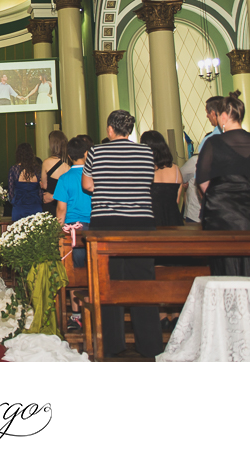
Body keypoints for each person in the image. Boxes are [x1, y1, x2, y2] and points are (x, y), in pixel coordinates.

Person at [81, 110, 161, 358]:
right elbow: (148, 181)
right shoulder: (146, 152)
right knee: (143, 282)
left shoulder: (96, 152)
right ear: (130, 130)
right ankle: (150, 345)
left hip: (107, 223)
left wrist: (105, 186)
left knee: (108, 281)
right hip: (141, 223)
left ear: (110, 130)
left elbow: (87, 185)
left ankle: (112, 343)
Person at [196, 92, 250, 278]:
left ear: (223, 117)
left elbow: (202, 180)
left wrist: (220, 194)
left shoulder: (213, 143)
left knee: (230, 265)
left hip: (225, 217)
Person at [53, 135, 93, 268]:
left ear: (69, 156)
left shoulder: (64, 179)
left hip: (73, 227)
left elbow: (61, 209)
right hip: (93, 224)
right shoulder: (94, 175)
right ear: (86, 153)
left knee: (76, 266)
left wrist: (58, 231)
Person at [141, 130, 184, 227]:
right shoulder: (176, 169)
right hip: (173, 221)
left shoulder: (144, 170)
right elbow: (176, 201)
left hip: (151, 221)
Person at [9, 143, 44, 222]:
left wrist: (15, 202)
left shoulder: (14, 170)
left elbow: (10, 192)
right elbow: (41, 192)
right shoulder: (38, 170)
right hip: (35, 206)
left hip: (19, 207)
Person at [40, 130, 70, 210]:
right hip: (64, 204)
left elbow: (44, 185)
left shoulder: (46, 162)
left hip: (50, 203)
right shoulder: (68, 165)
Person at [178, 152, 201, 223]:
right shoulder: (195, 161)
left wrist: (184, 182)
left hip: (195, 212)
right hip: (195, 212)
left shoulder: (196, 160)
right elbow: (180, 177)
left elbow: (180, 177)